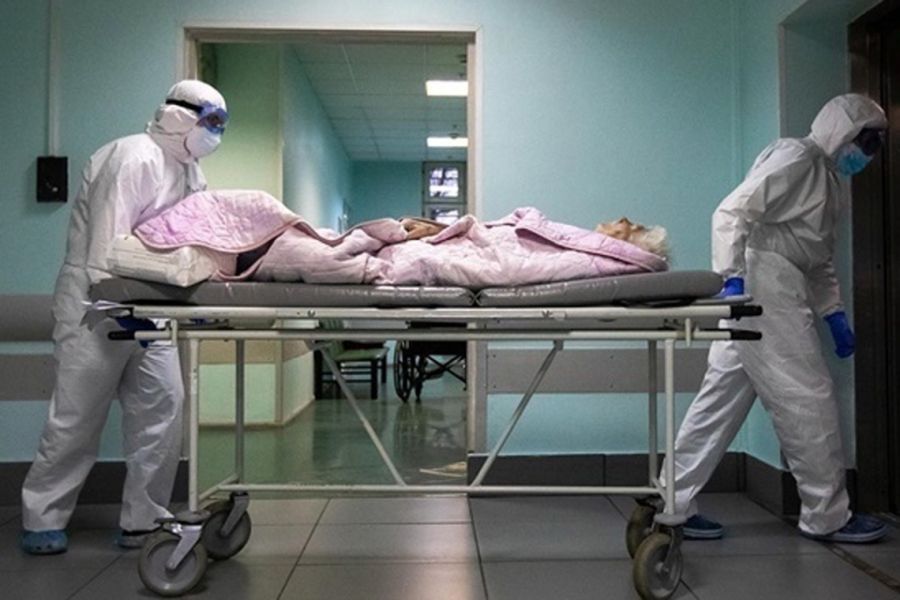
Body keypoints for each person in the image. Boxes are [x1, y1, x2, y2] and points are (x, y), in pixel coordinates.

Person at [20, 80, 228, 554]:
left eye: (220, 125)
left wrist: (188, 301)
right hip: (95, 306)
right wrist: (120, 303)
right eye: (211, 122)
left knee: (164, 408)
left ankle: (144, 518)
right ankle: (42, 517)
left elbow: (188, 240)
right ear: (180, 116)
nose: (215, 133)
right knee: (76, 416)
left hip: (151, 306)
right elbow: (106, 245)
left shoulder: (189, 171)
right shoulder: (132, 158)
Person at [670, 93, 888, 544]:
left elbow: (818, 260)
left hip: (769, 284)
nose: (867, 154)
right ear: (841, 130)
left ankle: (671, 501)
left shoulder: (830, 182)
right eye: (865, 141)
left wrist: (834, 314)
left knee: (719, 400)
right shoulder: (798, 157)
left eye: (875, 146)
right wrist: (731, 276)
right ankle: (827, 515)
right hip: (764, 284)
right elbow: (732, 210)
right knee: (808, 396)